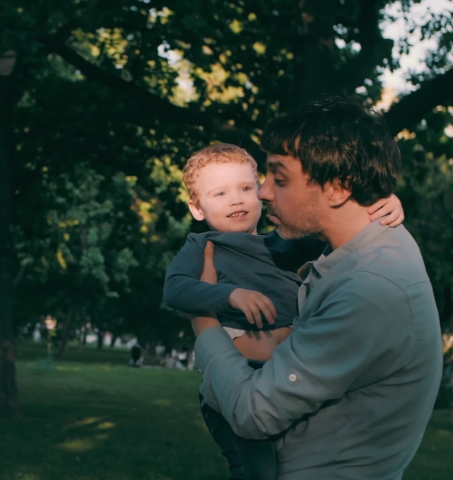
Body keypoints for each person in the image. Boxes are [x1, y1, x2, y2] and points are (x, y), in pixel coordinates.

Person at [190, 97, 443, 479]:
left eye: (280, 178)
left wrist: (204, 320)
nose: (262, 192)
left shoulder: (369, 290)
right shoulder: (376, 243)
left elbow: (251, 412)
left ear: (338, 188)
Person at [164, 141, 404, 479]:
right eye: (219, 194)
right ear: (197, 209)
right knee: (257, 470)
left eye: (246, 188)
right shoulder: (203, 245)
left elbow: (345, 229)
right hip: (235, 376)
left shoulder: (285, 243)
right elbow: (175, 290)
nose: (236, 199)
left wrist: (382, 204)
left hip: (288, 375)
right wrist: (229, 295)